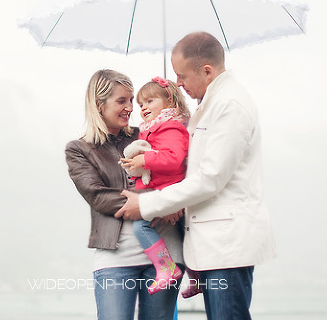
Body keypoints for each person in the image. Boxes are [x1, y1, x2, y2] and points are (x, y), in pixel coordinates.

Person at [115, 32, 277, 320]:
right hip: (213, 245)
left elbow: (210, 177)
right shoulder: (210, 104)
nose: (178, 83)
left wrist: (148, 204)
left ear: (207, 71)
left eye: (182, 76)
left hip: (227, 245)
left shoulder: (230, 105)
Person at [65, 69, 182, 320]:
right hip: (115, 259)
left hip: (165, 256)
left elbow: (179, 168)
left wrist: (174, 200)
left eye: (131, 100)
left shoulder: (151, 132)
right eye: (122, 101)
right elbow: (98, 196)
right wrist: (157, 203)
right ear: (99, 104)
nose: (130, 107)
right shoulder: (79, 149)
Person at [120, 77, 189, 295]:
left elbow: (174, 158)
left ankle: (166, 268)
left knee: (141, 227)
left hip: (167, 190)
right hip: (161, 189)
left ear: (170, 102)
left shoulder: (171, 128)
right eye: (141, 104)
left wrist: (145, 159)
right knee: (185, 232)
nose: (143, 108)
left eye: (150, 101)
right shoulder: (154, 128)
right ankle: (196, 277)